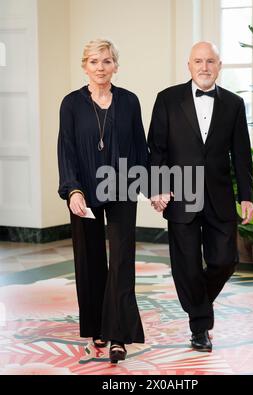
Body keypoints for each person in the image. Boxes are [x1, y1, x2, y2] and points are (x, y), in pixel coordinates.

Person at [148, 42, 253, 352]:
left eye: (210, 61)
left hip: (220, 196)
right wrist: (158, 186)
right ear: (189, 65)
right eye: (198, 61)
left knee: (225, 260)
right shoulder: (167, 100)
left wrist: (246, 196)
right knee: (187, 267)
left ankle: (198, 307)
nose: (204, 66)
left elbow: (242, 154)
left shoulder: (234, 104)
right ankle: (200, 327)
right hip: (181, 193)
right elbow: (157, 149)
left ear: (219, 66)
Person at [57, 39, 148, 363]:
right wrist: (73, 190)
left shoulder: (129, 102)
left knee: (122, 261)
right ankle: (97, 325)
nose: (100, 67)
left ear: (115, 66)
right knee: (90, 259)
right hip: (84, 190)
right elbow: (66, 150)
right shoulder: (71, 104)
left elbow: (140, 148)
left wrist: (153, 188)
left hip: (122, 187)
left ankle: (119, 335)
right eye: (94, 61)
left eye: (107, 61)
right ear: (85, 66)